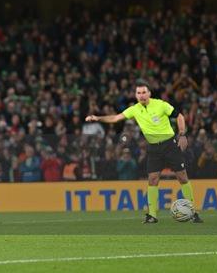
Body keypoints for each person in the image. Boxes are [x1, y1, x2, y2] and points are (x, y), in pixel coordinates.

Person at [86, 79, 203, 223]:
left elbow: (179, 116)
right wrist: (97, 117)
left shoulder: (160, 104)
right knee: (152, 180)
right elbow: (116, 118)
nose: (141, 95)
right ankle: (152, 215)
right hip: (153, 148)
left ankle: (193, 212)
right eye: (138, 93)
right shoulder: (135, 109)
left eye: (144, 92)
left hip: (169, 145)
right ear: (135, 95)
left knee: (182, 177)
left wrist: (182, 133)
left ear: (149, 93)